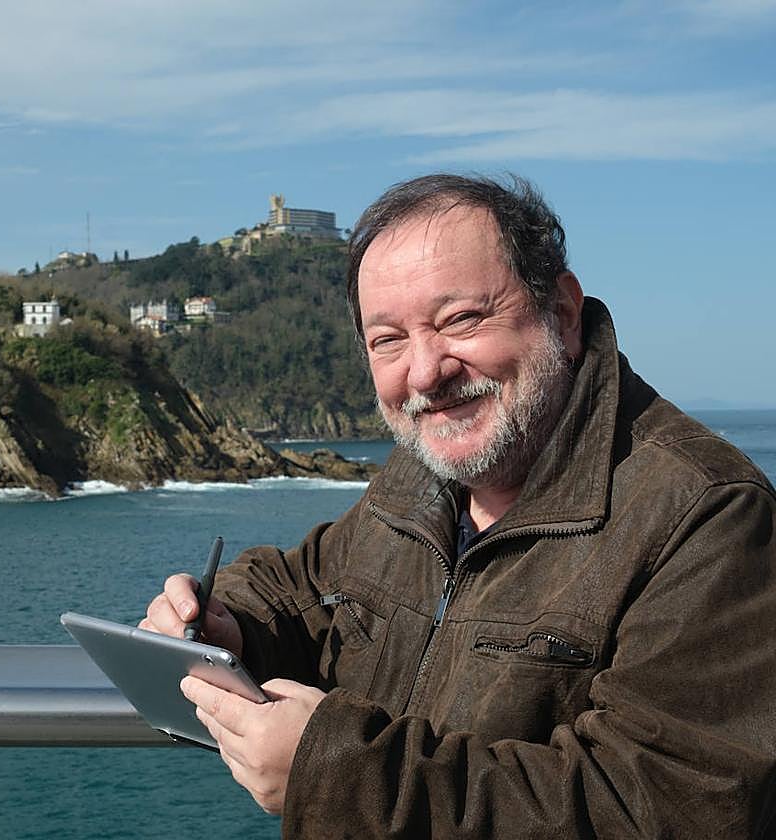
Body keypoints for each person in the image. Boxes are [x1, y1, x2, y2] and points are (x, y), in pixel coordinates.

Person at [141, 174, 776, 837]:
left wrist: (336, 775)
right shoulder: (425, 473)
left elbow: (660, 808)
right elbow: (308, 588)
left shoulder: (708, 519)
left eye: (460, 320)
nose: (425, 372)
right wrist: (229, 624)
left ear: (562, 313)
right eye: (388, 340)